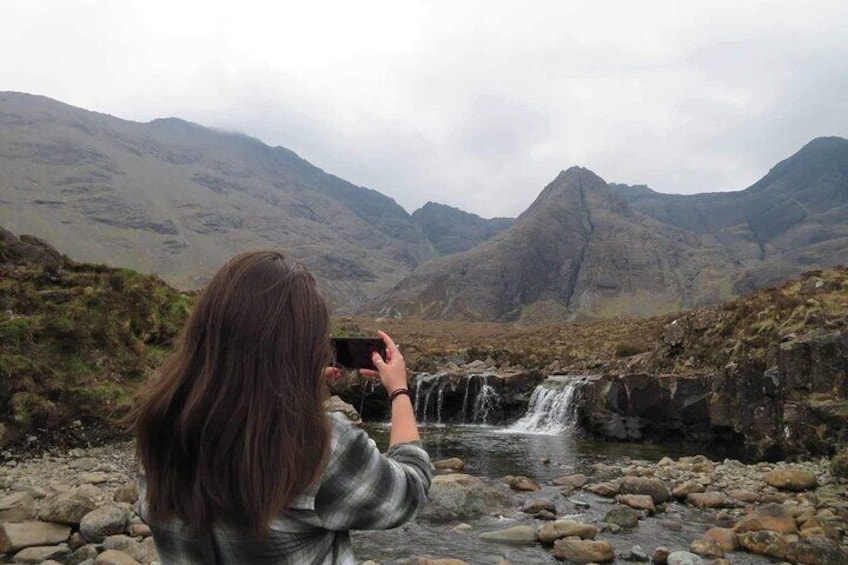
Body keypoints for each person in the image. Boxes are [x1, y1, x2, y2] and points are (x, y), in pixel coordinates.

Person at [130, 250, 431, 564]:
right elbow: (411, 490)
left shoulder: (159, 426)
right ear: (303, 347)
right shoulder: (319, 446)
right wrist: (399, 390)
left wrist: (301, 386)